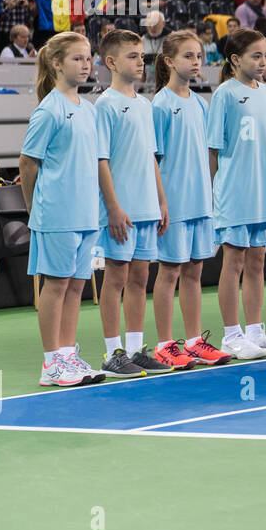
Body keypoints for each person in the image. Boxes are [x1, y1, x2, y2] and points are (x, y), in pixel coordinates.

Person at [18, 32, 106, 387]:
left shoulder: (88, 109)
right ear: (56, 64)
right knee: (55, 286)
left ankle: (68, 356)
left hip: (86, 214)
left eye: (88, 58)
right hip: (56, 213)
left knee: (75, 287)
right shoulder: (49, 109)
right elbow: (27, 164)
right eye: (77, 58)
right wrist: (33, 209)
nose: (86, 64)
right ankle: (51, 363)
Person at [92, 30, 177, 378]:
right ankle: (113, 353)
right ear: (111, 62)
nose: (140, 62)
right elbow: (100, 161)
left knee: (140, 277)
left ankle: (137, 348)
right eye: (132, 56)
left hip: (146, 207)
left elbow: (151, 159)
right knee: (116, 278)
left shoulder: (145, 105)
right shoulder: (105, 105)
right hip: (121, 210)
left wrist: (162, 202)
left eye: (142, 55)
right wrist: (113, 207)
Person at [209, 29, 266, 360]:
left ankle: (256, 332)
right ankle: (231, 335)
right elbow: (214, 150)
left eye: (265, 54)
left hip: (262, 192)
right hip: (234, 192)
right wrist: (217, 192)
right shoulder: (225, 95)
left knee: (257, 260)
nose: (263, 61)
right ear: (235, 59)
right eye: (255, 55)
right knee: (235, 260)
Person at [150, 29, 232, 367]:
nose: (196, 61)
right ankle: (165, 344)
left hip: (201, 203)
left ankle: (195, 341)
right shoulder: (160, 104)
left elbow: (208, 156)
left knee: (195, 273)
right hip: (174, 204)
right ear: (169, 61)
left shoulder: (201, 103)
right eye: (188, 56)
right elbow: (152, 160)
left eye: (198, 56)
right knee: (169, 273)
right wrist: (160, 203)